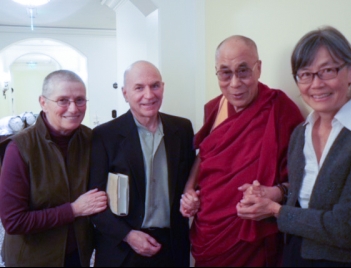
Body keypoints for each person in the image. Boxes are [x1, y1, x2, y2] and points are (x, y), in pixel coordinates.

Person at [237, 26, 351, 267]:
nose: (316, 84)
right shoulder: (300, 133)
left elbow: (346, 228)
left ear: (350, 71)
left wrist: (275, 211)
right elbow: (311, 195)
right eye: (305, 74)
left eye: (327, 70)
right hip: (297, 256)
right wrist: (276, 194)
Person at [180, 35, 304, 266]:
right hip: (210, 227)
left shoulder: (280, 109)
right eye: (225, 73)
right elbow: (205, 154)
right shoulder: (214, 107)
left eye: (243, 71)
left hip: (253, 233)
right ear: (217, 72)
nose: (235, 83)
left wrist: (273, 193)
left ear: (258, 68)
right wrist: (188, 190)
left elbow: (302, 179)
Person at [89, 61, 195, 267]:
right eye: (139, 87)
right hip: (123, 248)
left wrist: (192, 198)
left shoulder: (182, 129)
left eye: (155, 86)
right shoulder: (104, 136)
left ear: (163, 88)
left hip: (172, 246)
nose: (149, 95)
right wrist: (128, 235)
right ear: (125, 93)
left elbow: (190, 184)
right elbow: (94, 203)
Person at [0, 70, 108, 267]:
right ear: (43, 102)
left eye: (80, 100)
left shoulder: (91, 139)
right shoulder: (19, 148)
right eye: (63, 100)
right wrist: (74, 209)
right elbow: (14, 221)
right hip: (33, 258)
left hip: (79, 254)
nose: (73, 108)